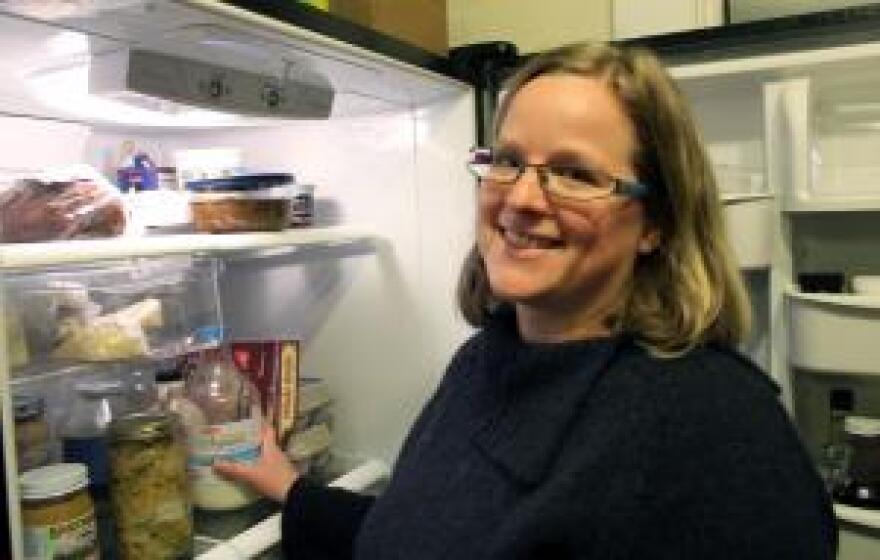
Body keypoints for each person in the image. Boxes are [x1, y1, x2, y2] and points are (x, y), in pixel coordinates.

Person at [215, 42, 838, 559]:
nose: (521, 200)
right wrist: (293, 489)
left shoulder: (716, 423)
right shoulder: (484, 360)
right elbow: (433, 536)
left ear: (657, 223)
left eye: (576, 174)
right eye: (509, 161)